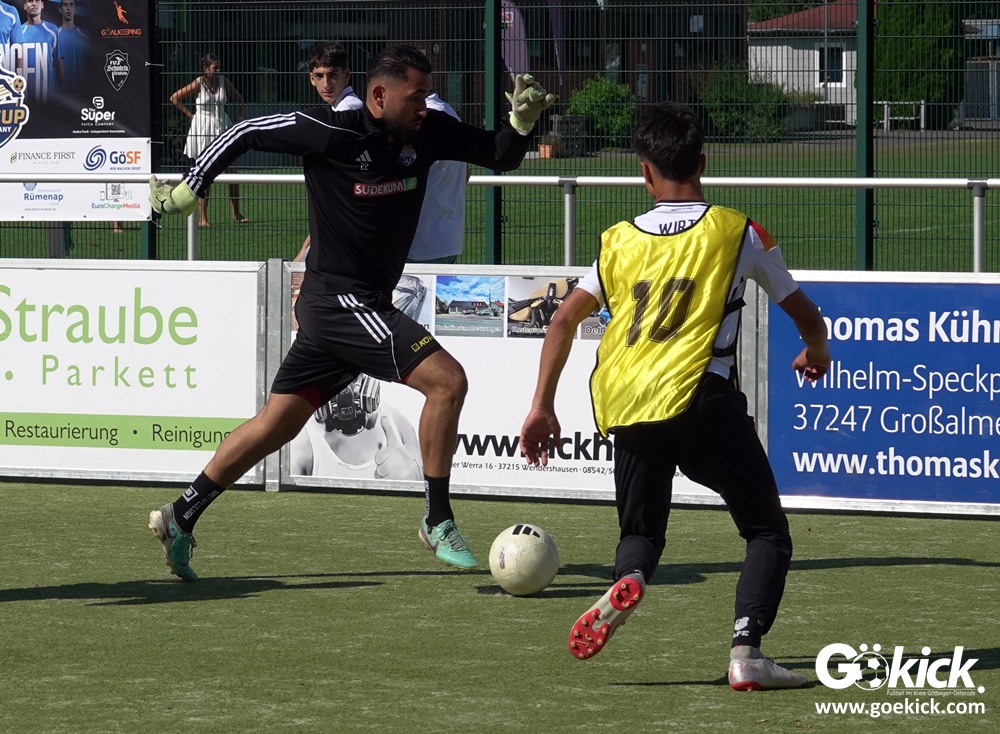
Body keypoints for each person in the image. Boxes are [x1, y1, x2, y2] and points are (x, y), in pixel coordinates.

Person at [147, 45, 553, 581]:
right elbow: (242, 131)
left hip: (354, 306)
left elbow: (499, 154)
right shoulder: (331, 131)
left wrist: (521, 122)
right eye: (415, 97)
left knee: (275, 425)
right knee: (448, 382)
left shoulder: (427, 130)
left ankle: (181, 515)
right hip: (339, 302)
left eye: (428, 96)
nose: (425, 106)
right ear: (379, 95)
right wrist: (189, 188)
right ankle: (437, 518)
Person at [518, 102, 830, 690]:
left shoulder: (617, 241)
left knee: (640, 533)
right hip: (701, 396)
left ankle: (630, 577)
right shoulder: (738, 230)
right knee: (766, 531)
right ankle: (747, 652)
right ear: (702, 162)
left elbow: (561, 320)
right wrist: (816, 352)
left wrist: (541, 406)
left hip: (631, 400)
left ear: (644, 170)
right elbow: (806, 314)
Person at [293, 41, 364, 263]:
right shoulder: (342, 107)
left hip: (347, 230)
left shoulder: (348, 110)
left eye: (333, 75)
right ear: (311, 79)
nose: (327, 84)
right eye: (320, 76)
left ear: (347, 75)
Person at [289, 373, 423, 480]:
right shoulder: (305, 440)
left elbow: (424, 492)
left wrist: (412, 479)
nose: (345, 390)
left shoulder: (397, 425)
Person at [170, 52, 247, 226]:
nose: (218, 70)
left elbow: (239, 99)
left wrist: (240, 121)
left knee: (232, 170)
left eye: (219, 67)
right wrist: (191, 116)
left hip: (222, 126)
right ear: (206, 68)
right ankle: (203, 218)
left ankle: (236, 212)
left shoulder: (223, 81)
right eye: (215, 67)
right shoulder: (198, 83)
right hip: (203, 128)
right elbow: (174, 98)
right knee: (205, 172)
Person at [404, 91, 468, 265]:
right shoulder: (448, 113)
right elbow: (466, 172)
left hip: (421, 243)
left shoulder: (423, 120)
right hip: (446, 238)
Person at [10, 0, 64, 105]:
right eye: (30, 1)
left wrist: (63, 89)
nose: (34, 4)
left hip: (49, 95)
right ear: (25, 6)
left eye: (37, 1)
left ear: (42, 5)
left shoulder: (52, 30)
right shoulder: (18, 32)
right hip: (26, 95)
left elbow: (58, 61)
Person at [56, 0, 85, 88]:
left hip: (82, 91)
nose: (68, 8)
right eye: (65, 5)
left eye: (71, 5)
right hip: (60, 92)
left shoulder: (85, 36)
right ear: (60, 9)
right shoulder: (54, 35)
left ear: (75, 9)